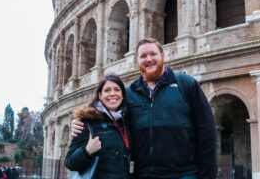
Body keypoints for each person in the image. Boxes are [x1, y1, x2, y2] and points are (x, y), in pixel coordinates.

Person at [71, 38, 217, 178]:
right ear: (137, 61)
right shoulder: (129, 93)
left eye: (153, 54)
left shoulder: (186, 84)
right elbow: (110, 119)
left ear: (163, 56)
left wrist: (208, 175)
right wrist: (83, 121)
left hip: (184, 174)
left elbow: (207, 131)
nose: (148, 59)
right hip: (143, 174)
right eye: (143, 56)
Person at [65, 74, 131, 178]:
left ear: (122, 94)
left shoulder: (126, 122)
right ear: (100, 95)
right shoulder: (88, 122)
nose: (113, 94)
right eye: (107, 90)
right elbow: (69, 162)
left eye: (117, 89)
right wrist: (87, 151)